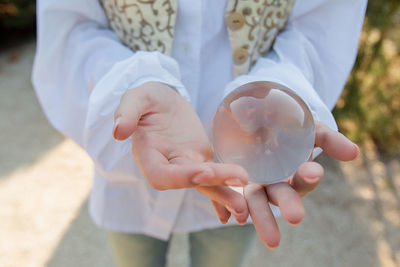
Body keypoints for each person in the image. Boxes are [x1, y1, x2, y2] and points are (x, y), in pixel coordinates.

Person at [32, 0, 367, 266]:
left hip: (247, 174)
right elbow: (71, 23)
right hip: (135, 160)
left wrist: (275, 99)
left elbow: (321, 25)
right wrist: (134, 81)